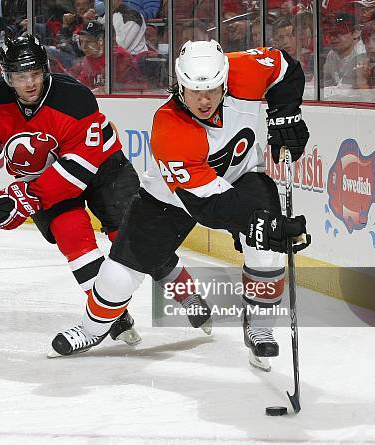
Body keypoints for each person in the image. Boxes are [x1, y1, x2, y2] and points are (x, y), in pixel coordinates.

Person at [50, 40, 311, 368]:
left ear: (225, 81)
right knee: (117, 277)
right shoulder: (170, 127)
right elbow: (208, 206)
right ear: (178, 86)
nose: (204, 100)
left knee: (266, 248)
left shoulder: (246, 68)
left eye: (213, 90)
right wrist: (261, 221)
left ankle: (259, 328)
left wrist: (285, 113)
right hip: (171, 198)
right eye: (193, 92)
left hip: (243, 174)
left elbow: (285, 67)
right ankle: (91, 329)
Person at [0, 35, 212, 352]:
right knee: (72, 236)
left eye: (34, 73)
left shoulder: (75, 98)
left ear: (44, 69)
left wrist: (26, 197)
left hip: (103, 169)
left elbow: (78, 170)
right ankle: (110, 316)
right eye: (20, 76)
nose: (30, 83)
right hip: (43, 179)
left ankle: (185, 292)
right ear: (8, 76)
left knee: (133, 239)